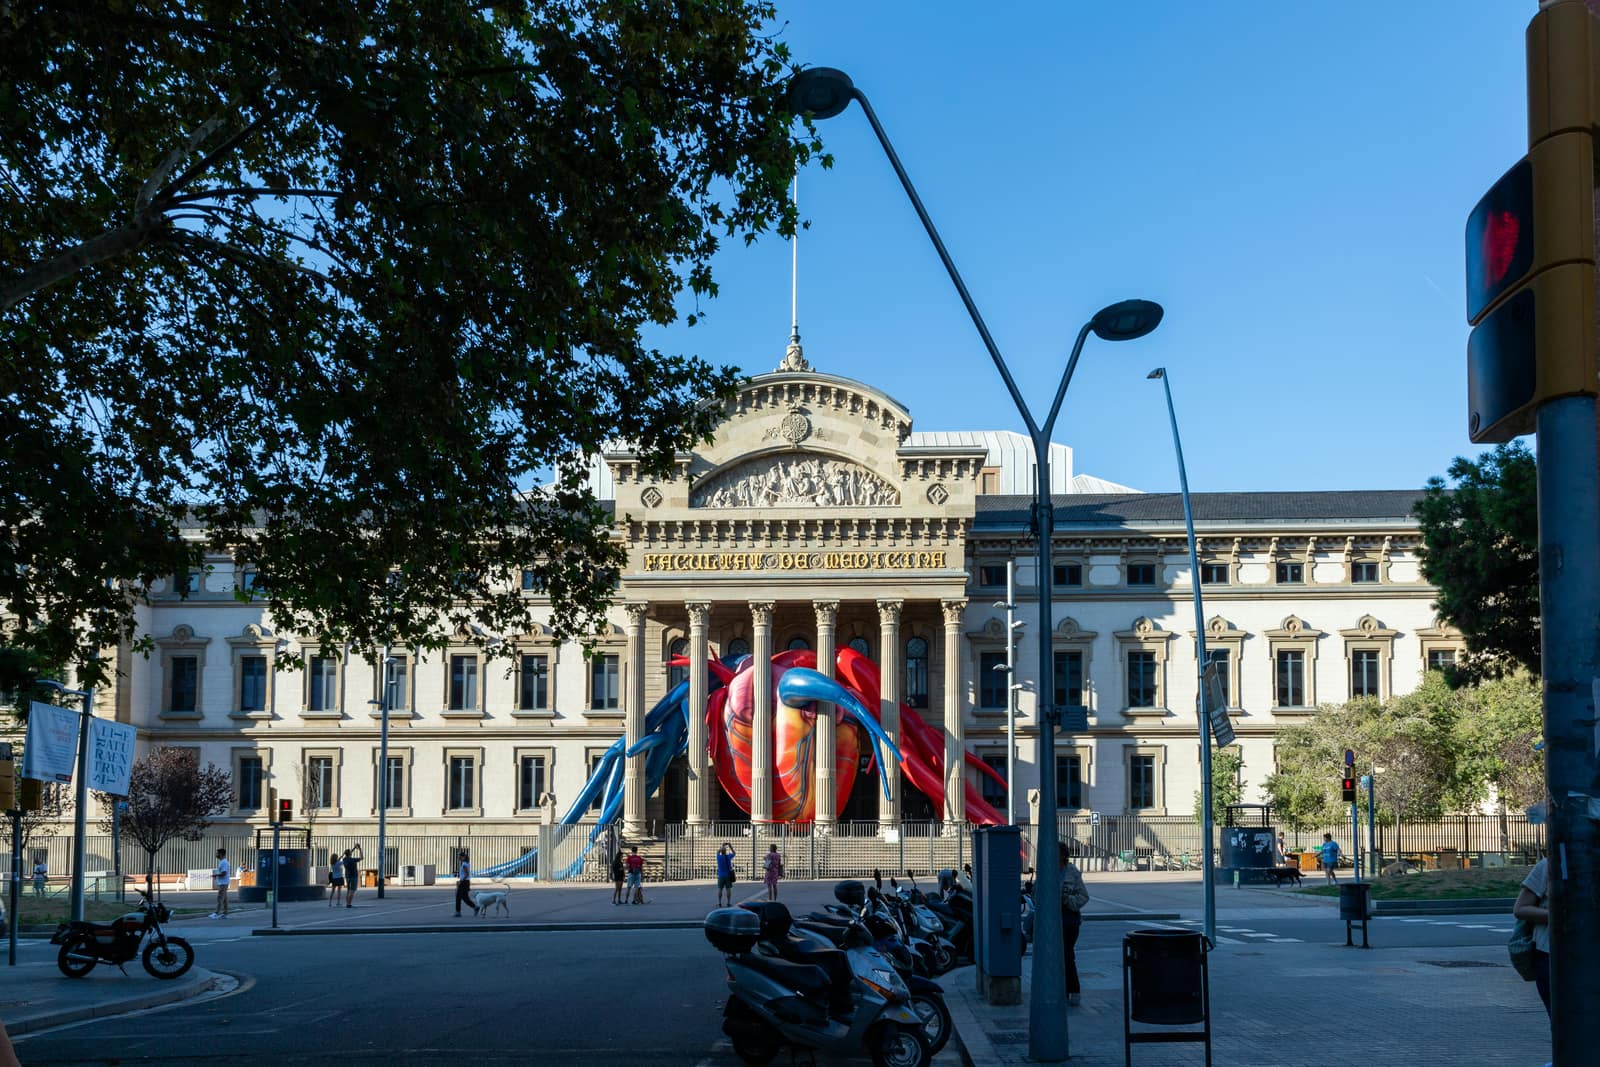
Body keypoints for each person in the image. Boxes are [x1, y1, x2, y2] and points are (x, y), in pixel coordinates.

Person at [1513, 855, 1552, 1018]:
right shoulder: (1549, 865)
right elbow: (1520, 908)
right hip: (1551, 955)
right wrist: (1557, 916)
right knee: (1565, 1023)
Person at [1060, 843, 1089, 1006]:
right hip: (1051, 919)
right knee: (1054, 956)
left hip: (1068, 918)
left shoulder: (1072, 872)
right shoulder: (1047, 870)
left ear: (1064, 855)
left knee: (1066, 955)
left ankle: (1073, 990)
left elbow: (1083, 896)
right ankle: (1060, 990)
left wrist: (1068, 900)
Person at [454, 850, 477, 916]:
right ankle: (475, 907)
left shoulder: (464, 864)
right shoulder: (466, 863)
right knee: (465, 898)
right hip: (466, 882)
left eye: (460, 857)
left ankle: (458, 912)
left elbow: (466, 874)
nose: (459, 858)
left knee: (458, 897)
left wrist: (460, 881)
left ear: (463, 857)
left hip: (464, 882)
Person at [210, 848, 231, 918]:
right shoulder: (223, 862)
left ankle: (217, 913)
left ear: (221, 854)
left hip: (223, 883)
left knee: (220, 898)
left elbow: (224, 873)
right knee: (224, 898)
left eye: (217, 853)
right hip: (223, 882)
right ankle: (225, 913)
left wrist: (215, 875)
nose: (216, 855)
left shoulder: (224, 862)